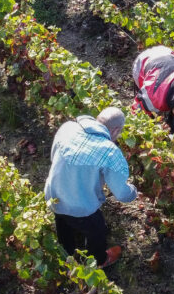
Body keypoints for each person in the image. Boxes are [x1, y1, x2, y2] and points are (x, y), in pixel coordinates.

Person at [44, 107, 138, 268]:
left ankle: (67, 254)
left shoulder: (69, 127)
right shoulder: (109, 152)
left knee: (62, 218)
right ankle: (99, 260)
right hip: (79, 207)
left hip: (53, 194)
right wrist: (133, 191)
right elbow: (121, 194)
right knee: (97, 229)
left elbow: (54, 156)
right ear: (115, 130)